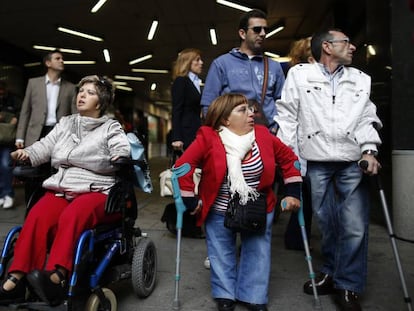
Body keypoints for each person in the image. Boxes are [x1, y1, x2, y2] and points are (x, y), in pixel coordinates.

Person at [275, 29, 382, 311]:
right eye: (346, 42)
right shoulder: (299, 75)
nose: (353, 46)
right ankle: (331, 274)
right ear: (327, 47)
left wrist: (369, 150)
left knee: (355, 226)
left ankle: (348, 285)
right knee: (327, 223)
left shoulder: (360, 79)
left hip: (351, 160)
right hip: (316, 159)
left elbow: (366, 117)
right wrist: (289, 158)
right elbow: (287, 116)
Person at [0, 75, 130, 306]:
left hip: (97, 189)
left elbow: (121, 147)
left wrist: (119, 156)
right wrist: (27, 154)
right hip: (63, 186)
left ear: (100, 102)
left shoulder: (111, 126)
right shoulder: (66, 123)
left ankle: (57, 276)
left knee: (73, 215)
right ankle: (17, 277)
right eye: (81, 91)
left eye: (90, 92)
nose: (82, 95)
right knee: (38, 215)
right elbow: (45, 146)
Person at [175, 93, 302, 311]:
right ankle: (225, 294)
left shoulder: (263, 135)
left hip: (257, 207)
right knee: (221, 252)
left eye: (250, 109)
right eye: (242, 110)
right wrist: (189, 199)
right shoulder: (208, 137)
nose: (251, 113)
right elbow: (182, 167)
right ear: (225, 119)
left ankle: (252, 295)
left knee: (257, 250)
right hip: (219, 208)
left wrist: (292, 192)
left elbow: (289, 160)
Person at [200, 9, 285, 136]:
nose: (262, 34)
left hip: (268, 135)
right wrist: (221, 134)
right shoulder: (221, 64)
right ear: (242, 33)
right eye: (257, 29)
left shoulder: (274, 66)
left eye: (265, 30)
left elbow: (283, 103)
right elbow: (208, 105)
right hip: (234, 137)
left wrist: (276, 128)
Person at [15, 50, 77, 204]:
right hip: (35, 133)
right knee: (33, 170)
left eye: (62, 58)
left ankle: (50, 204)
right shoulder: (33, 83)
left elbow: (75, 115)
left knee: (54, 170)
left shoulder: (70, 87)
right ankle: (32, 205)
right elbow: (25, 111)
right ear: (48, 63)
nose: (62, 61)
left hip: (59, 134)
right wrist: (20, 136)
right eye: (58, 58)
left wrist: (76, 137)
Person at [283, 36, 314, 251]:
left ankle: (296, 237)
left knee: (306, 195)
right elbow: (289, 115)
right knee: (304, 194)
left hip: (311, 147)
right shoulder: (297, 76)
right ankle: (295, 238)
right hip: (301, 146)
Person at [171, 48, 203, 151]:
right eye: (197, 60)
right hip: (186, 134)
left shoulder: (196, 82)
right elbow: (177, 109)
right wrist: (177, 137)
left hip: (196, 130)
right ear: (188, 62)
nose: (201, 63)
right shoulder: (181, 81)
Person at [0, 81, 21, 209]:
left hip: (7, 138)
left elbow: (22, 112)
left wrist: (15, 118)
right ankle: (1, 194)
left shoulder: (14, 99)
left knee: (5, 165)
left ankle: (8, 193)